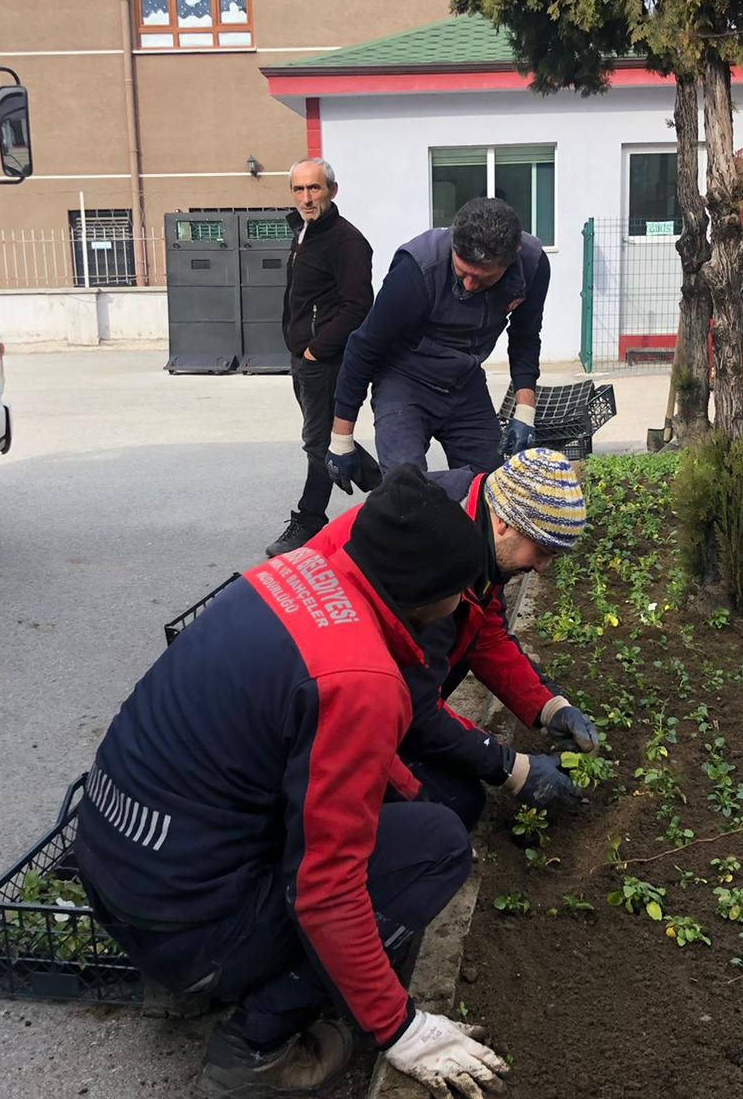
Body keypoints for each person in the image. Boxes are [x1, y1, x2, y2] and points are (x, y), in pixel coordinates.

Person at [74, 465, 508, 1099]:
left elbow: (310, 743)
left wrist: (409, 791)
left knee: (415, 810)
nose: (465, 603)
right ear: (423, 594)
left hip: (118, 873)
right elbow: (326, 890)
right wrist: (401, 1029)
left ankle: (210, 967)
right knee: (437, 846)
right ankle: (254, 1046)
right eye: (460, 592)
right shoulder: (362, 680)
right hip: (181, 929)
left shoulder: (292, 577)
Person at [309, 448, 598, 829]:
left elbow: (486, 633)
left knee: (457, 791)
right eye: (541, 552)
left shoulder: (479, 518)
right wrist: (512, 768)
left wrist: (548, 706)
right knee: (451, 808)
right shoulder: (439, 555)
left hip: (373, 678)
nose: (542, 568)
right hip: (323, 696)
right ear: (505, 524)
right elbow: (415, 705)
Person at [324, 197, 549, 485]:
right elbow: (364, 346)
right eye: (462, 272)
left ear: (512, 256)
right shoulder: (417, 269)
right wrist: (341, 438)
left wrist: (525, 412)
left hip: (465, 380)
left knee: (492, 486)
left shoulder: (532, 265)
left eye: (481, 279)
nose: (469, 285)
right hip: (404, 381)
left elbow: (526, 337)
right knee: (405, 490)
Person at [265, 157, 375, 558]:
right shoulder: (304, 233)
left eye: (314, 188)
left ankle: (312, 519)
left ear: (332, 190)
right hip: (305, 359)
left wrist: (316, 349)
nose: (306, 197)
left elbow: (359, 305)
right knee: (327, 439)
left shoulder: (346, 241)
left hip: (326, 362)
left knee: (318, 441)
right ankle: (393, 499)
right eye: (299, 189)